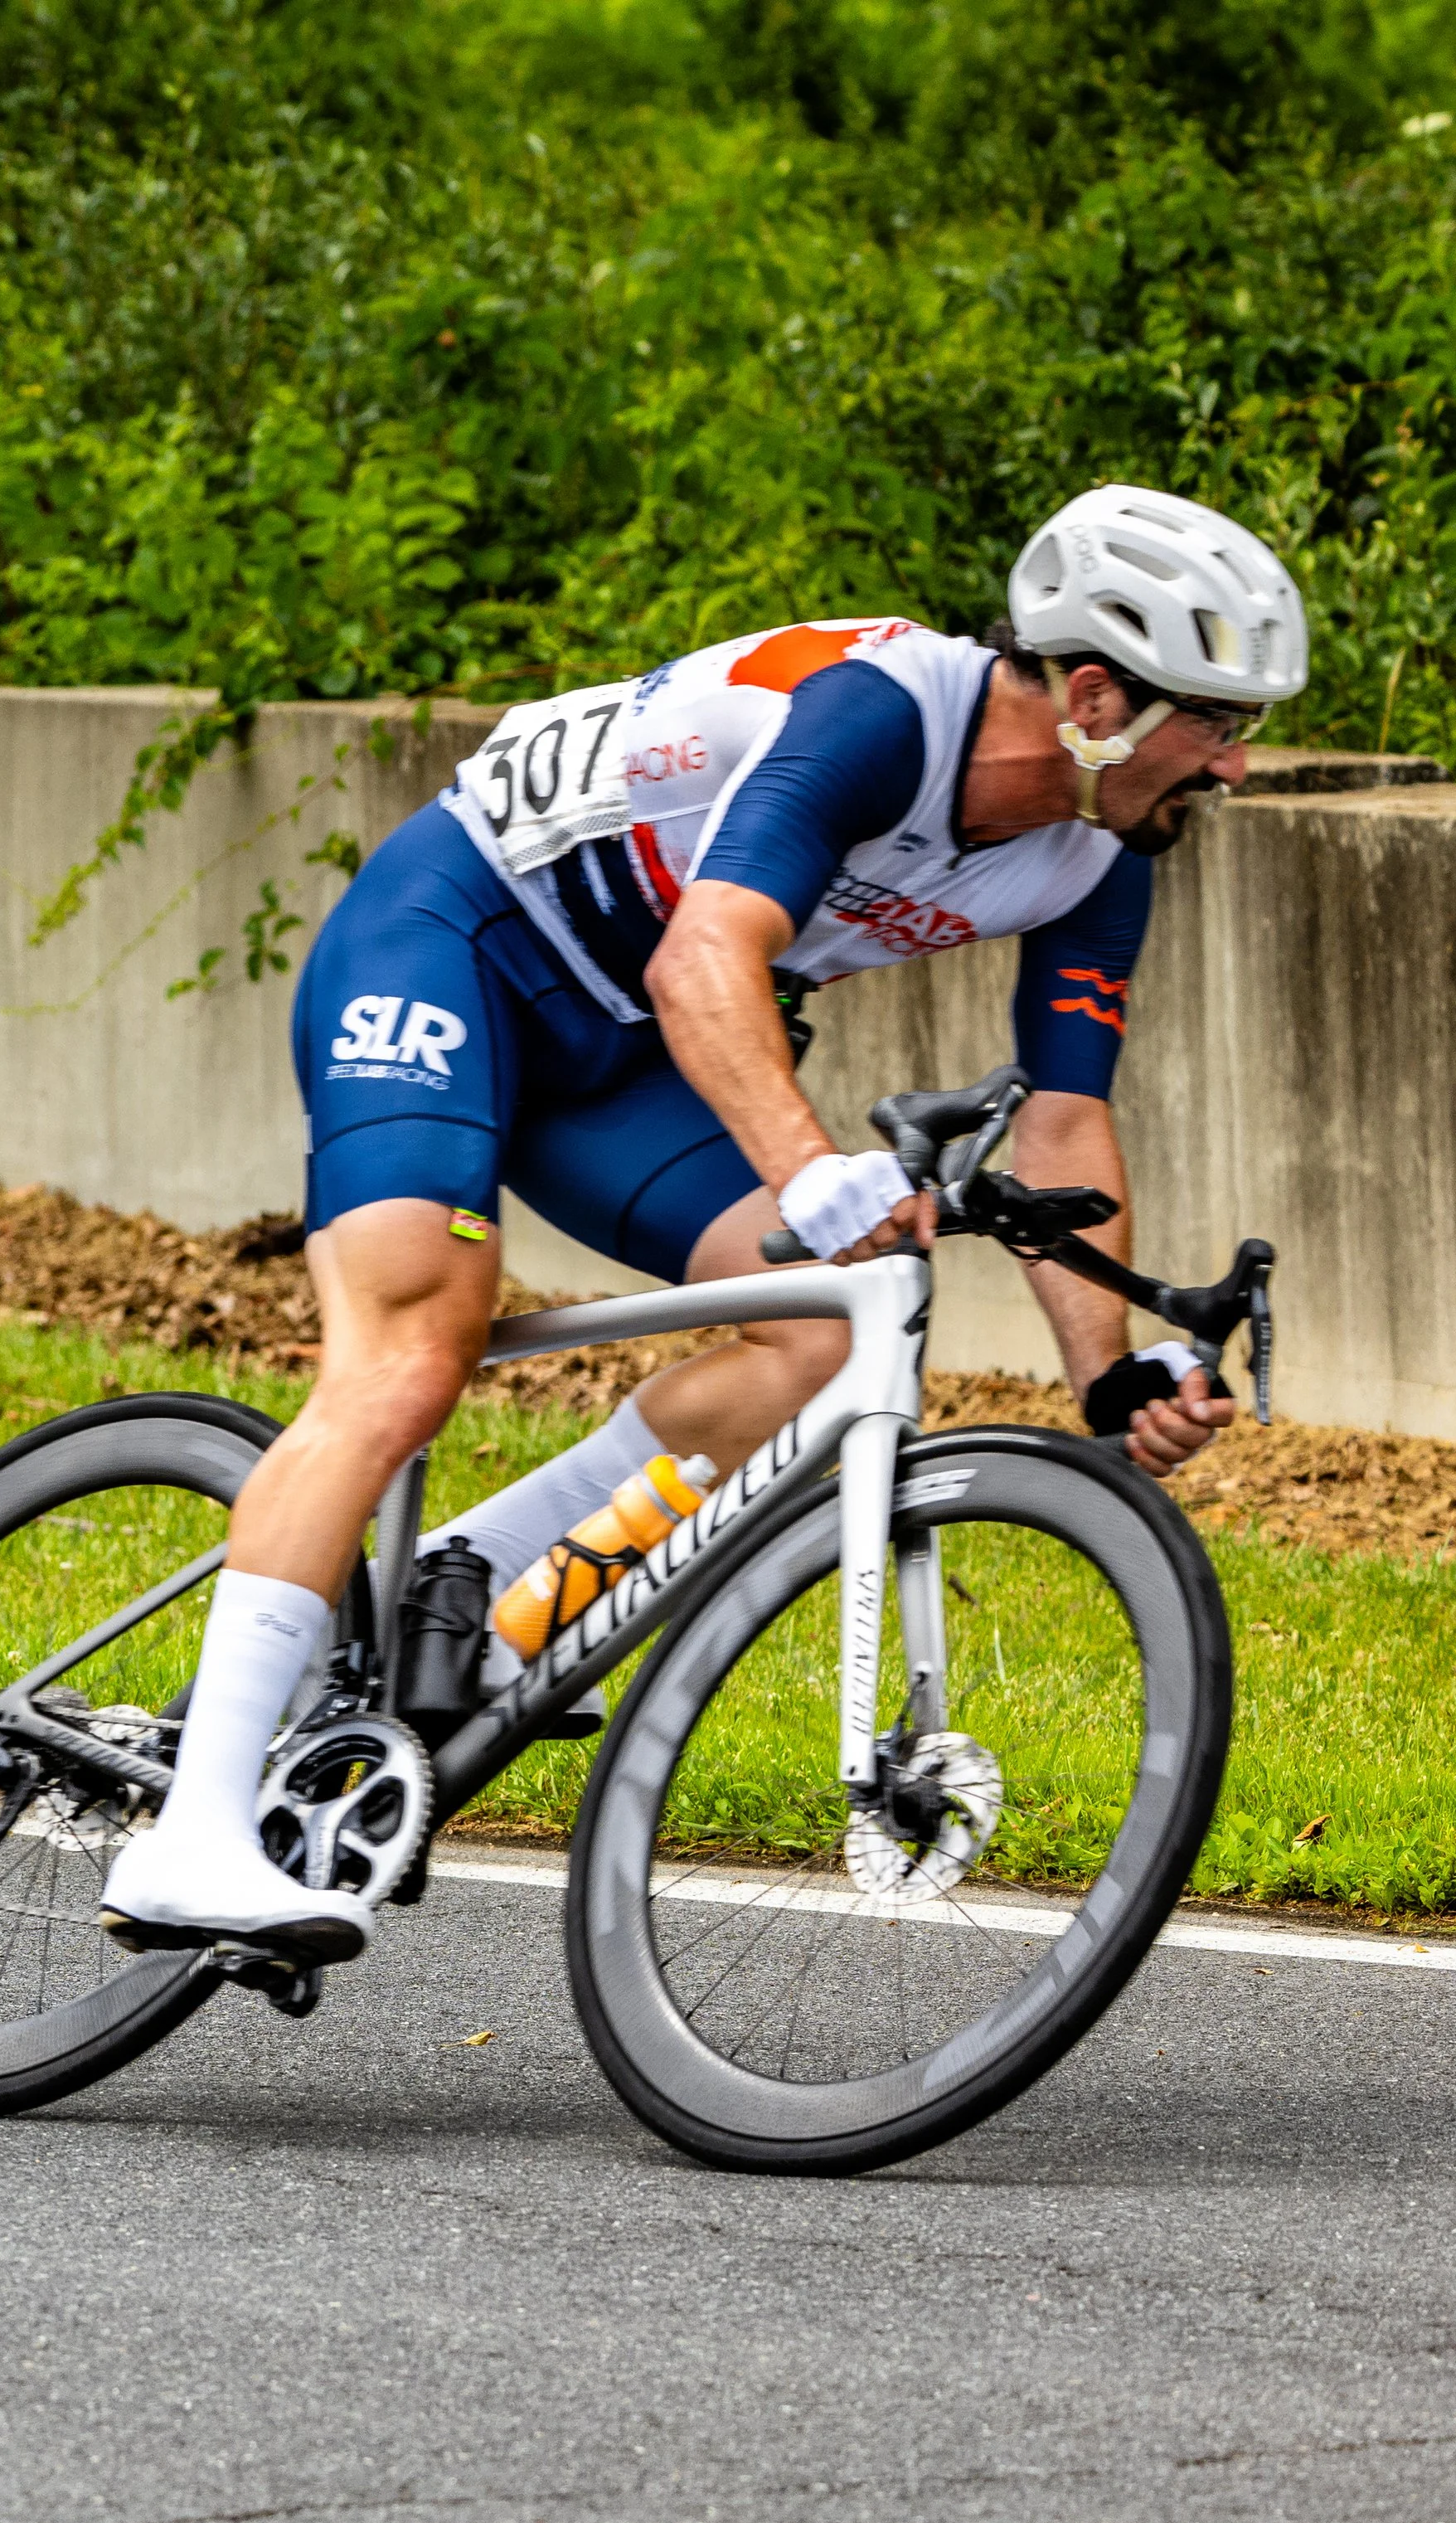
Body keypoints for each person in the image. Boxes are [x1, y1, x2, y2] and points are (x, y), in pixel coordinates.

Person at [101, 483, 1310, 1962]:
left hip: (619, 1062)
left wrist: (1107, 1378)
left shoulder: (1095, 856)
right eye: (1218, 724)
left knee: (826, 1322)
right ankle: (190, 1838)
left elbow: (1065, 1121)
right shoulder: (881, 714)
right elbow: (704, 959)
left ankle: (459, 1594)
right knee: (420, 1340)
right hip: (459, 945)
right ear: (1100, 695)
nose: (1239, 765)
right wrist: (810, 1170)